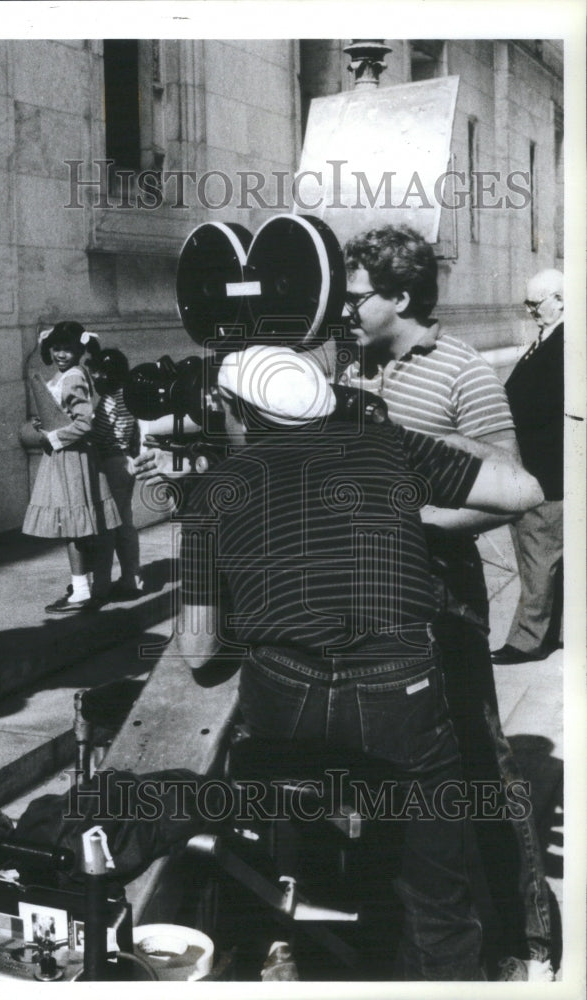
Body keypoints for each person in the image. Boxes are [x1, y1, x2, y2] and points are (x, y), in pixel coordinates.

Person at [149, 343, 543, 980]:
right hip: (399, 692)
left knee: (297, 841)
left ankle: (298, 943)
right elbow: (524, 488)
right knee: (436, 890)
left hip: (283, 695)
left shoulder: (212, 492)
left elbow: (198, 653)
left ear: (235, 408)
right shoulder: (388, 448)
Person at [337, 225, 555, 981]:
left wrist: (417, 516)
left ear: (399, 296)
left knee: (478, 757)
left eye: (358, 293)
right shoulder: (352, 362)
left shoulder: (460, 371)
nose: (345, 303)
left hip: (441, 594)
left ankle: (525, 928)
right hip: (366, 597)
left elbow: (509, 487)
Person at [491, 269, 564, 664]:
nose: (530, 311)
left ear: (561, 300)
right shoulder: (549, 338)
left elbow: (545, 408)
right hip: (542, 467)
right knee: (548, 557)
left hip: (544, 471)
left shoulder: (563, 344)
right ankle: (554, 631)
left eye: (536, 304)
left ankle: (527, 640)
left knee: (538, 555)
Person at [22, 321, 121, 614]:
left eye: (69, 348)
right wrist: (46, 422)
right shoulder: (66, 375)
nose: (62, 353)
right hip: (70, 457)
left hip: (71, 458)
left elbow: (83, 423)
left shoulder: (73, 377)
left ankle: (80, 591)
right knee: (80, 525)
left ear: (80, 350)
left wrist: (53, 435)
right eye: (57, 348)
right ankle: (89, 585)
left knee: (74, 527)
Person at [87, 347, 144, 601]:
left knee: (108, 526)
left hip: (111, 463)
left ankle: (101, 585)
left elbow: (98, 434)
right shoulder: (129, 396)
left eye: (98, 373)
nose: (95, 378)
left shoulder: (110, 400)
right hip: (126, 461)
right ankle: (132, 577)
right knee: (124, 523)